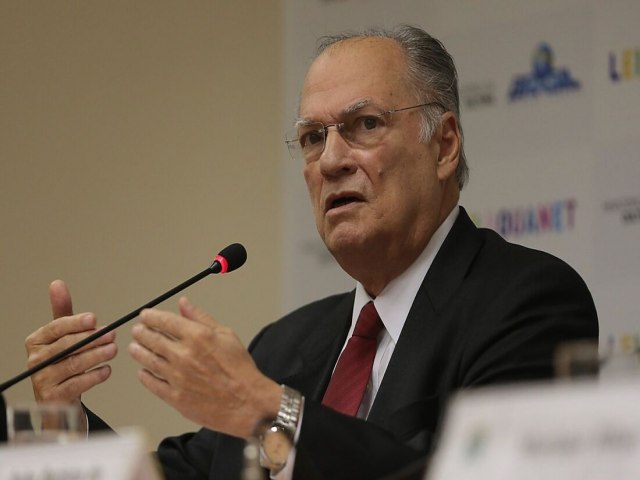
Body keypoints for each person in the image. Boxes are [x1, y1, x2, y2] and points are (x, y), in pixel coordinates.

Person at [24, 25, 598, 480]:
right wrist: (64, 422)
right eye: (313, 138)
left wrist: (270, 412)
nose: (331, 161)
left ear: (444, 145)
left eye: (364, 124)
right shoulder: (285, 345)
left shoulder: (528, 303)